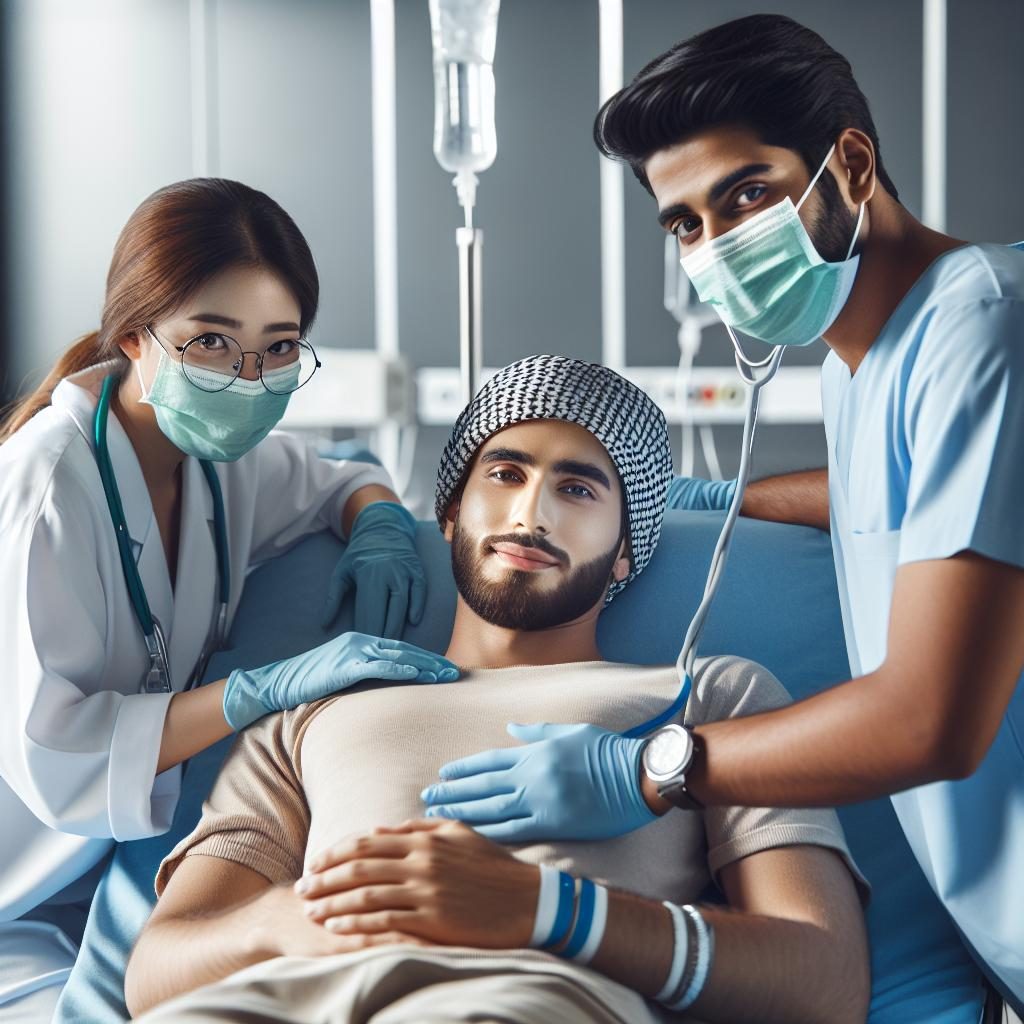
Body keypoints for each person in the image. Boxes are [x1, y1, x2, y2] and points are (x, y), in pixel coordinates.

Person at [419, 13, 1024, 1008]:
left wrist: (647, 769)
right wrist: (721, 499)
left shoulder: (984, 326)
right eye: (685, 223)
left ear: (852, 163)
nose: (716, 245)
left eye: (747, 195)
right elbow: (914, 505)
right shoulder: (865, 363)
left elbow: (929, 721)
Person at [124, 355, 869, 1024]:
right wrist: (289, 923)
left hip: (515, 1002)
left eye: (577, 489)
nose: (530, 513)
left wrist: (559, 913)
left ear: (624, 554)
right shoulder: (309, 714)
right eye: (506, 474)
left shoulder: (705, 698)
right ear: (449, 514)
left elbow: (825, 984)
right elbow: (156, 974)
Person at [0, 178, 458, 1020]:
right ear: (135, 336)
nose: (250, 378)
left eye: (279, 347)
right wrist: (261, 691)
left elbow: (343, 478)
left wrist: (382, 526)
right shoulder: (46, 487)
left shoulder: (216, 462)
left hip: (118, 880)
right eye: (210, 341)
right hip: (18, 896)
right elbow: (56, 757)